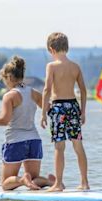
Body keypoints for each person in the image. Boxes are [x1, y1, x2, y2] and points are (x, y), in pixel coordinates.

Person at [0, 56, 55, 191]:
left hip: (15, 141)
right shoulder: (33, 92)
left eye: (4, 79)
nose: (4, 83)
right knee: (34, 180)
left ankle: (21, 179)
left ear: (8, 77)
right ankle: (48, 181)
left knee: (5, 184)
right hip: (34, 140)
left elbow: (4, 120)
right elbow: (49, 107)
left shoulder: (9, 96)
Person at [41, 32, 90, 192]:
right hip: (73, 106)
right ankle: (84, 182)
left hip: (58, 108)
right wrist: (83, 112)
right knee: (78, 145)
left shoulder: (51, 66)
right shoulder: (75, 66)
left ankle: (58, 183)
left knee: (59, 147)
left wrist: (43, 113)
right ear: (66, 47)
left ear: (51, 49)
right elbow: (83, 90)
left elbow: (47, 89)